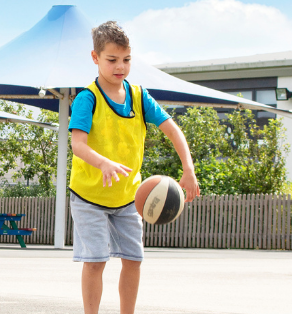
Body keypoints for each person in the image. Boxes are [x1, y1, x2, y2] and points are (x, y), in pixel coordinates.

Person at [68, 21, 200, 314]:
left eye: (126, 60)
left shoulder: (139, 97)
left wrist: (188, 169)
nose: (120, 67)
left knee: (134, 258)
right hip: (90, 196)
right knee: (96, 260)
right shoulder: (87, 98)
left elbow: (173, 129)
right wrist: (102, 163)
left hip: (128, 196)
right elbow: (78, 145)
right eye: (112, 60)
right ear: (95, 58)